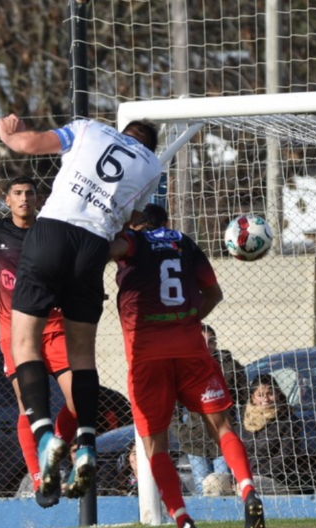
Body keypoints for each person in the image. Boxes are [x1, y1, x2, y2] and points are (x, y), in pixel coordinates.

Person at [0, 113, 162, 499]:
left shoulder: (89, 128)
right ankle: (86, 443)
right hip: (93, 246)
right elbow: (132, 218)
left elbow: (29, 144)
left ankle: (44, 436)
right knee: (83, 355)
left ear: (121, 132)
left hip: (53, 232)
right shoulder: (152, 167)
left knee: (23, 343)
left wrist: (9, 135)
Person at [109, 204, 265, 528]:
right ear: (166, 222)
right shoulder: (184, 242)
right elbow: (214, 294)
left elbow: (106, 249)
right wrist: (188, 322)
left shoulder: (133, 241)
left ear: (135, 224)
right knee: (222, 427)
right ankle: (248, 490)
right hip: (190, 347)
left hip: (147, 354)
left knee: (155, 445)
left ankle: (182, 519)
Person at [0, 175, 77, 507]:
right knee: (28, 406)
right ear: (7, 200)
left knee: (79, 400)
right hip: (16, 334)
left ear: (38, 199)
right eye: (17, 193)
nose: (23, 199)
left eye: (29, 193)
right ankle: (38, 479)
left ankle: (53, 448)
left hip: (55, 328)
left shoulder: (51, 231)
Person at [175, 324, 248, 496]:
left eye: (212, 341)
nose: (207, 346)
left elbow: (245, 398)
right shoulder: (183, 366)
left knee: (222, 484)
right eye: (202, 341)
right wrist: (181, 431)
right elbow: (173, 406)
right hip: (195, 438)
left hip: (223, 435)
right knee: (202, 487)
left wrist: (239, 426)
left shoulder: (230, 367)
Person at [239, 375, 302, 495]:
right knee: (213, 481)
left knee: (246, 486)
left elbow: (285, 458)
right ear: (253, 398)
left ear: (277, 394)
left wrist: (251, 474)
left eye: (270, 394)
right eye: (260, 395)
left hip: (276, 478)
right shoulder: (244, 422)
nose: (266, 399)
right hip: (243, 475)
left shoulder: (288, 421)